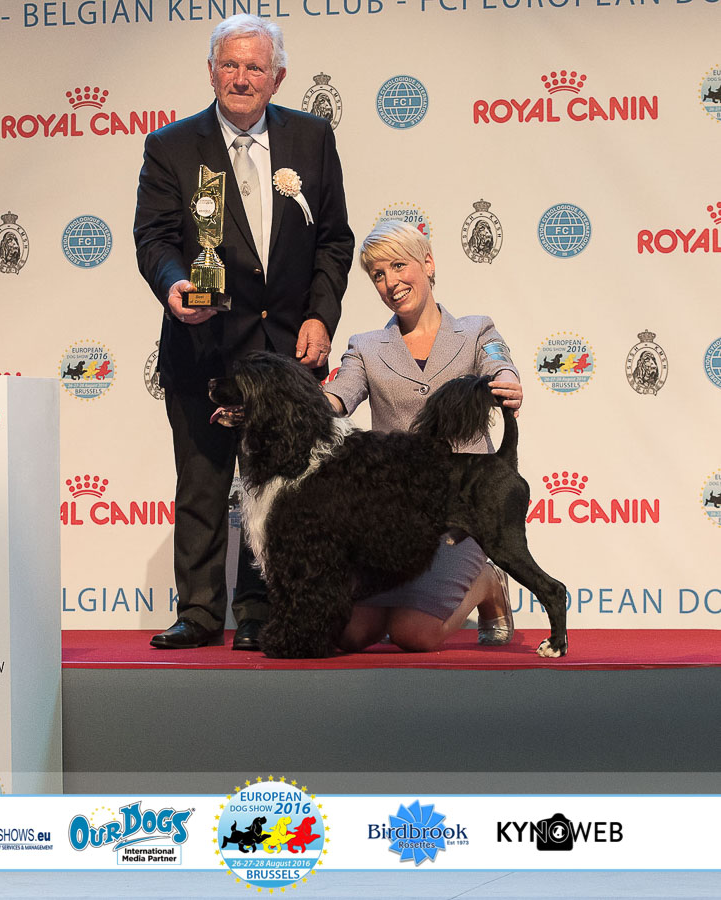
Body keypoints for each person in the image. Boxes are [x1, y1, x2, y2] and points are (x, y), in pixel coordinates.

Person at [133, 14, 354, 650]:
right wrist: (175, 286)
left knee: (279, 487)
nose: (240, 77)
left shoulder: (312, 138)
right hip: (201, 347)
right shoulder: (170, 145)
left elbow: (334, 240)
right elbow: (154, 238)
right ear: (210, 71)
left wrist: (321, 316)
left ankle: (260, 610)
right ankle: (200, 613)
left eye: (255, 67)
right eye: (229, 64)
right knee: (202, 484)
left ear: (277, 78)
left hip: (286, 354)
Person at [323, 220, 521, 652]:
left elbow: (499, 362)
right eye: (378, 274)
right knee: (351, 634)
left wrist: (506, 379)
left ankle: (488, 581)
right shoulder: (364, 346)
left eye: (399, 266)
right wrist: (308, 404)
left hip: (462, 512)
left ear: (428, 264)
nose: (391, 282)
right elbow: (340, 394)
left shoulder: (476, 330)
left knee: (414, 634)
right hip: (394, 521)